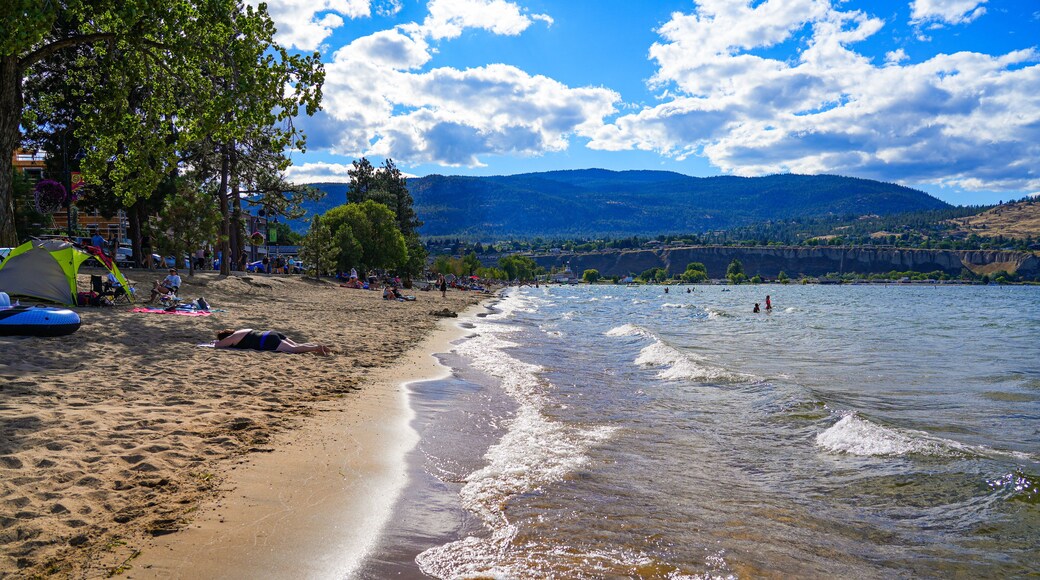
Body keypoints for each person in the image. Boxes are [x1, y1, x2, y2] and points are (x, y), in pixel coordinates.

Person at [214, 329, 332, 355]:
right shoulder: (241, 331)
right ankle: (324, 348)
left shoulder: (233, 337)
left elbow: (218, 345)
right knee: (296, 345)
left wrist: (215, 342)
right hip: (270, 333)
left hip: (267, 341)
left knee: (293, 350)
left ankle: (316, 347)